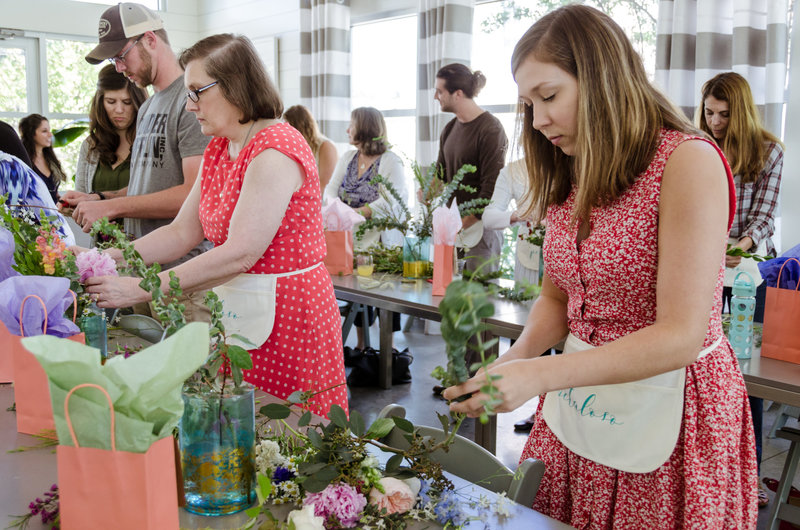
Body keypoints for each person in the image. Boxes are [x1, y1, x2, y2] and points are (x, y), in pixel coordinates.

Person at [444, 6, 757, 528]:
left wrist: (539, 375)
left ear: (603, 77)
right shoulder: (571, 167)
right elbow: (557, 297)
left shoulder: (687, 162)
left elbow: (680, 334)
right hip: (580, 401)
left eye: (549, 96)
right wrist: (515, 359)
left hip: (671, 410)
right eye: (529, 104)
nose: (539, 119)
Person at [84, 33, 348, 418]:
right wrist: (102, 259)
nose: (190, 106)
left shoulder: (276, 148)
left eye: (196, 92)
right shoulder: (220, 148)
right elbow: (181, 233)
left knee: (290, 433)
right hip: (241, 310)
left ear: (235, 86)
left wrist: (139, 287)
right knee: (239, 425)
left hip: (291, 318)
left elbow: (241, 252)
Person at [63, 2, 211, 322]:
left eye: (120, 55)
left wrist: (113, 208)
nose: (118, 67)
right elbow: (147, 186)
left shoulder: (190, 102)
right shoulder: (147, 108)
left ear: (150, 40)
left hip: (182, 282)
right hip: (142, 276)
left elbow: (192, 196)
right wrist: (100, 199)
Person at [699, 71, 784, 509]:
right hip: (704, 269)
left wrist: (740, 244)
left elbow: (765, 216)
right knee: (704, 372)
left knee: (745, 377)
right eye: (710, 112)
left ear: (742, 113)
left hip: (749, 272)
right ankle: (707, 471)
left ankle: (746, 477)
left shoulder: (769, 152)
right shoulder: (699, 147)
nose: (715, 121)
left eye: (724, 114)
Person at [324, 106, 407, 354]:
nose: (348, 130)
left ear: (366, 128)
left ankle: (388, 351)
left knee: (384, 294)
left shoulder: (391, 161)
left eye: (352, 124)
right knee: (357, 295)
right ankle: (362, 346)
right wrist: (337, 210)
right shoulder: (348, 157)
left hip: (382, 240)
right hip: (351, 239)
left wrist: (356, 214)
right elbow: (330, 189)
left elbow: (391, 201)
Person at [433, 63, 507, 273]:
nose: (435, 97)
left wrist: (459, 225)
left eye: (440, 91)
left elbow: (490, 190)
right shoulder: (449, 128)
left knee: (478, 301)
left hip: (480, 232)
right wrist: (427, 191)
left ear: (458, 94)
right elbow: (441, 175)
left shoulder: (491, 129)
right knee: (446, 299)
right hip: (453, 231)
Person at [74, 64, 148, 203]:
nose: (119, 110)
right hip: (97, 225)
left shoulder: (150, 143)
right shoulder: (90, 145)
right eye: (111, 102)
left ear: (138, 103)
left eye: (127, 102)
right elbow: (82, 199)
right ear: (101, 103)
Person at [1, 122, 75, 245]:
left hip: (42, 237)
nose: (50, 135)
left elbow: (13, 218)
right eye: (44, 131)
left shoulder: (10, 166)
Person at [283, 105, 337, 191]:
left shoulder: (326, 146)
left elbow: (325, 186)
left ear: (299, 127)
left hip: (318, 201)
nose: (285, 131)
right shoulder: (295, 148)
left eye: (288, 126)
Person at [19, 114, 66, 204]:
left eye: (49, 130)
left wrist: (63, 203)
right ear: (31, 134)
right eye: (44, 131)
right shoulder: (23, 163)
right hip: (35, 215)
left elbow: (53, 192)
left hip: (54, 215)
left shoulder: (50, 160)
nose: (50, 134)